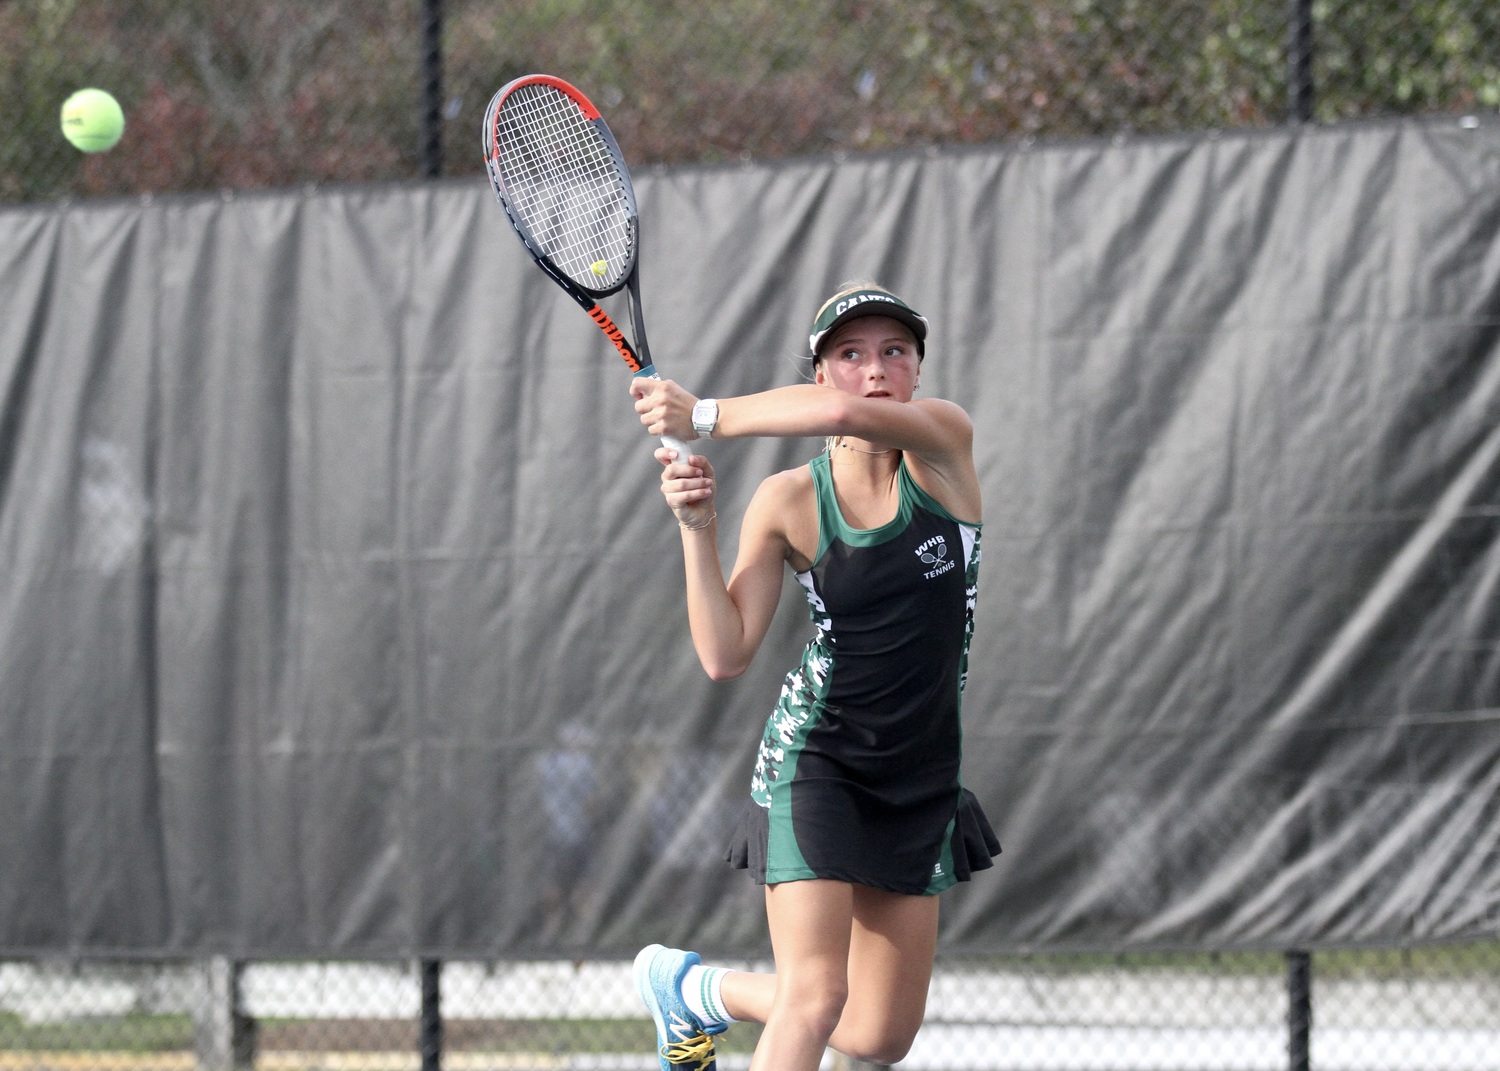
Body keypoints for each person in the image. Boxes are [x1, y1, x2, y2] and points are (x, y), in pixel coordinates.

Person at [626, 281, 1000, 1071]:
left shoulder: (944, 446)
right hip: (818, 761)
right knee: (816, 994)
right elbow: (725, 652)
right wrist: (697, 528)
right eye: (850, 354)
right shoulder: (789, 499)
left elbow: (839, 415)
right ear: (821, 370)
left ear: (918, 369)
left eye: (894, 351)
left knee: (878, 1035)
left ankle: (695, 991)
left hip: (922, 776)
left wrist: (704, 415)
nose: (875, 370)